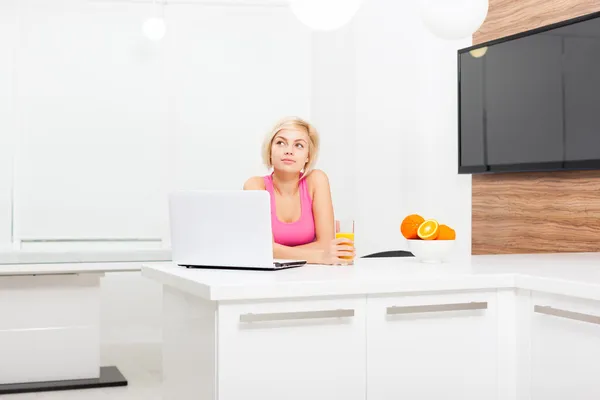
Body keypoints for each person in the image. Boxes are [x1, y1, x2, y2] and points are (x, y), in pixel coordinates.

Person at [243, 116, 355, 265]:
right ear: (270, 151)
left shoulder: (316, 180)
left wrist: (278, 251)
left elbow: (326, 244)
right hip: (267, 277)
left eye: (299, 145)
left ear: (308, 156)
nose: (289, 151)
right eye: (281, 143)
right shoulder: (255, 186)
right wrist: (318, 256)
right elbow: (262, 249)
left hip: (311, 276)